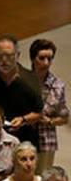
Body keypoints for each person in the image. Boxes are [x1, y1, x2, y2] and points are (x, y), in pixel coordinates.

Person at [29, 37, 69, 173]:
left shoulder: (58, 85)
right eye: (42, 58)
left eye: (50, 58)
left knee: (43, 180)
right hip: (23, 136)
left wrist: (50, 121)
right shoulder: (22, 80)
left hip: (46, 140)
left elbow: (64, 117)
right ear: (33, 58)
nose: (46, 63)